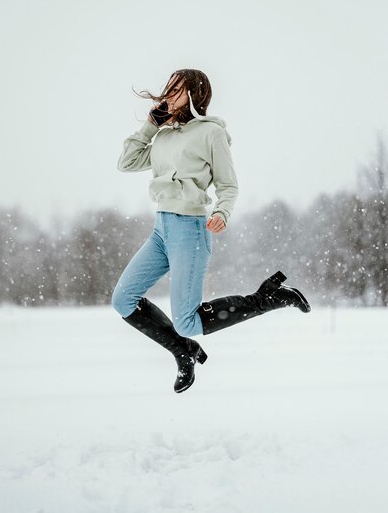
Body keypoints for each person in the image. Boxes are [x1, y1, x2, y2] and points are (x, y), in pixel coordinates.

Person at [112, 69, 310, 394]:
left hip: (190, 230)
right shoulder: (163, 135)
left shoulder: (211, 133)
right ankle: (182, 349)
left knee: (187, 321)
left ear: (194, 94)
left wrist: (222, 212)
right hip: (161, 229)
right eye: (167, 89)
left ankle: (267, 299)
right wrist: (151, 123)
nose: (168, 95)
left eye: (176, 90)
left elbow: (228, 184)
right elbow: (127, 161)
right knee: (123, 300)